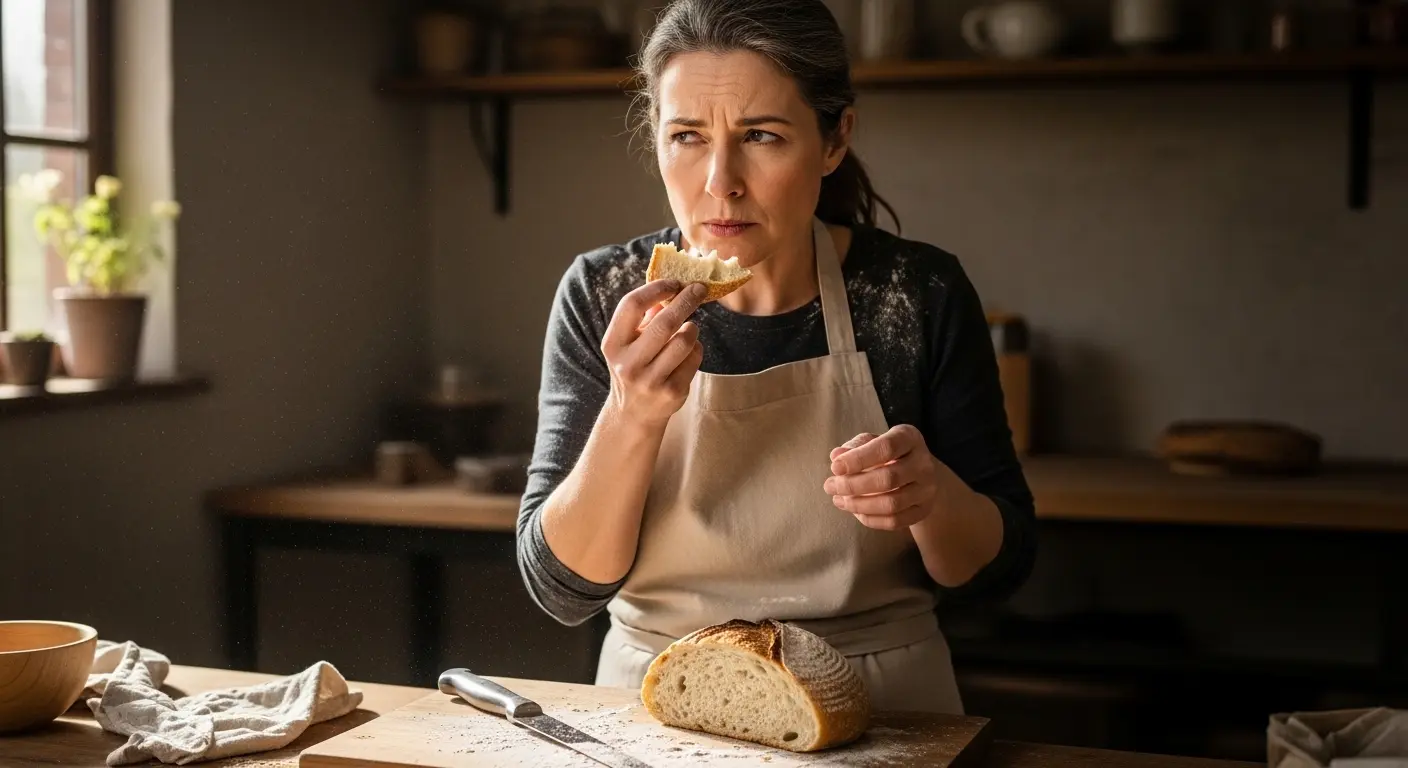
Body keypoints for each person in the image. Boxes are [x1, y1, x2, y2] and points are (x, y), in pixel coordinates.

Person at [516, 0, 1036, 714]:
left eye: (760, 135)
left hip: (882, 705)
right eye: (687, 137)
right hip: (660, 703)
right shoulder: (604, 293)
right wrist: (630, 416)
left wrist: (931, 496)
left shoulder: (916, 293)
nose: (720, 181)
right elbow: (563, 590)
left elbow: (997, 573)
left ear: (834, 139)